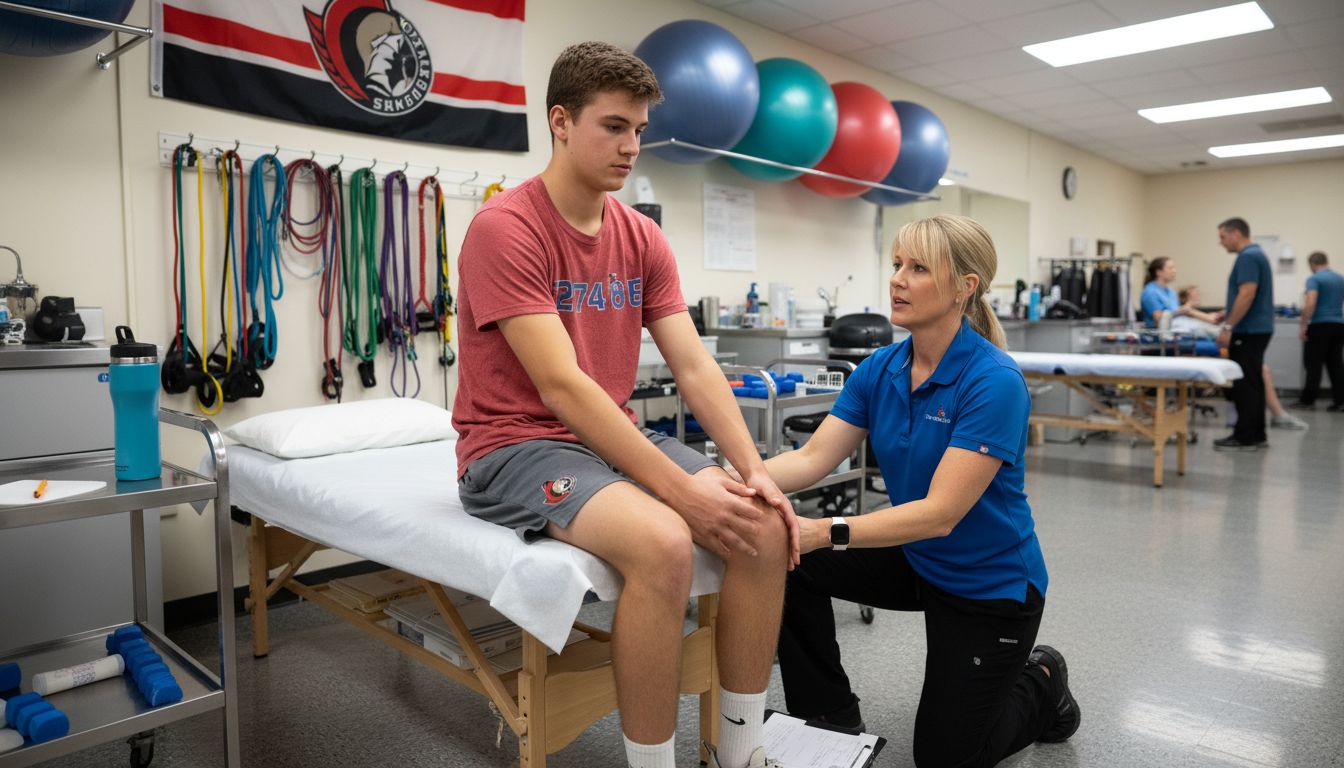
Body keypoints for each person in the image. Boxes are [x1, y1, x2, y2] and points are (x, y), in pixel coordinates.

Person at [451, 42, 794, 768]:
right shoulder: (505, 229)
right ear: (561, 122)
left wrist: (750, 467)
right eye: (613, 126)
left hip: (601, 441)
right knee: (665, 542)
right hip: (511, 447)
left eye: (639, 129)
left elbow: (695, 365)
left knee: (763, 525)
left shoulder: (641, 237)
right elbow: (563, 387)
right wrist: (683, 497)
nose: (631, 146)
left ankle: (739, 746)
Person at [762, 215, 1079, 767]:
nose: (898, 280)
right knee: (783, 555)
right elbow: (812, 458)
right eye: (897, 265)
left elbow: (939, 514)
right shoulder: (881, 368)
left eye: (918, 268)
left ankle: (1043, 681)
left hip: (989, 586)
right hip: (915, 559)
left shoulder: (993, 381)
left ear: (965, 285)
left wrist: (823, 531)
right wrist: (734, 480)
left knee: (944, 757)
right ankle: (830, 718)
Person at [1175, 285, 1306, 430]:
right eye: (1194, 294)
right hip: (1219, 343)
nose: (1198, 295)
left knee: (1262, 370)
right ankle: (1277, 414)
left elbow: (1214, 319)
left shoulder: (1192, 314)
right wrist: (1190, 309)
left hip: (1220, 340)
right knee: (1262, 370)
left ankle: (1277, 414)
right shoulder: (1186, 314)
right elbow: (1212, 320)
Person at [1214, 217, 1275, 451]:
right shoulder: (1257, 254)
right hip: (1257, 328)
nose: (1220, 242)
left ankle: (1245, 436)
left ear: (1236, 233)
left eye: (1222, 237)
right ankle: (1256, 434)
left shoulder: (1248, 256)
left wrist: (1229, 326)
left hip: (1247, 330)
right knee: (1253, 383)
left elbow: (1247, 293)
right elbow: (1247, 295)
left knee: (1244, 385)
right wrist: (1228, 312)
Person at [1291, 251, 1344, 412]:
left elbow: (1311, 302)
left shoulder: (1314, 279)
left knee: (1313, 364)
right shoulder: (1340, 278)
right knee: (1336, 364)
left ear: (1313, 264)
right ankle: (1340, 402)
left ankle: (1308, 401)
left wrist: (1303, 324)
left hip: (1320, 325)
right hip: (1339, 325)